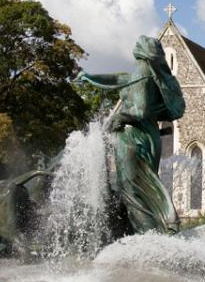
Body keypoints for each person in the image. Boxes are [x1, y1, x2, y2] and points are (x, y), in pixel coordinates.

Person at [77, 36, 185, 234]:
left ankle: (149, 239)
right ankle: (152, 232)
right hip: (147, 135)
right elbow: (117, 79)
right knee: (138, 188)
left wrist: (119, 116)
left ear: (140, 52)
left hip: (136, 138)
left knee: (132, 190)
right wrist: (89, 77)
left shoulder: (142, 74)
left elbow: (140, 111)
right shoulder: (143, 74)